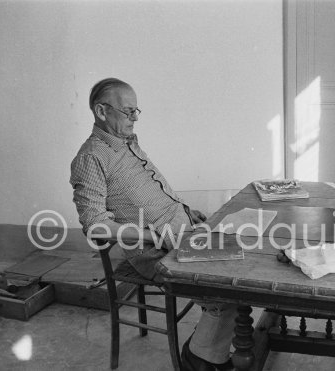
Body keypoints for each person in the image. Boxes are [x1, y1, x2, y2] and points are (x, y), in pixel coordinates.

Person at [70, 78, 236, 371]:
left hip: (180, 230)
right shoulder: (91, 157)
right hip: (152, 250)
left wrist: (185, 210)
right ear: (101, 111)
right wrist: (152, 235)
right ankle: (198, 360)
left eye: (137, 110)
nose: (135, 118)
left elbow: (152, 191)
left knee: (239, 270)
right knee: (225, 290)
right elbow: (95, 226)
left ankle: (215, 347)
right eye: (128, 111)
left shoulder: (127, 142)